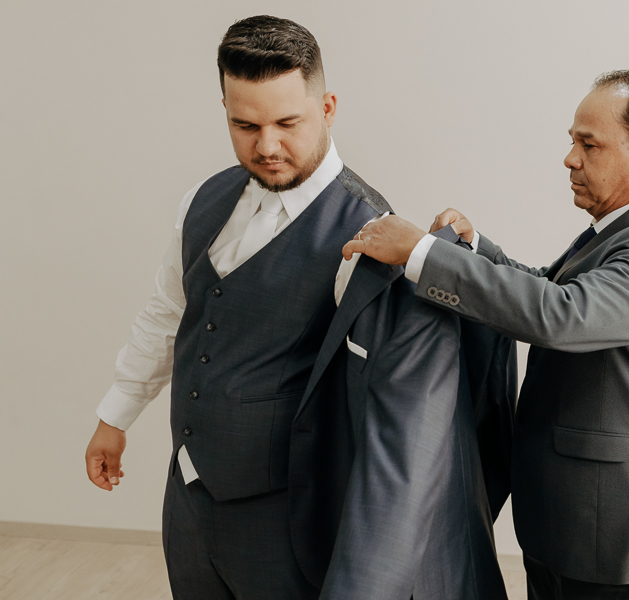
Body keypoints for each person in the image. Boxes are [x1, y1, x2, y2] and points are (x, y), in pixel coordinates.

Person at [84, 15, 512, 600]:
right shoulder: (202, 200)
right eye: (244, 124)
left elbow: (396, 417)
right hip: (187, 496)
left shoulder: (368, 233)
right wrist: (115, 416)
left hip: (287, 519)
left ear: (328, 107)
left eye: (288, 122)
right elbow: (167, 314)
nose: (267, 146)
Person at [343, 69, 629, 600]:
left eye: (589, 144)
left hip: (610, 536)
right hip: (568, 522)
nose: (570, 159)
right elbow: (548, 286)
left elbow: (561, 314)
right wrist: (476, 251)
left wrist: (422, 255)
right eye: (572, 142)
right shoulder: (620, 232)